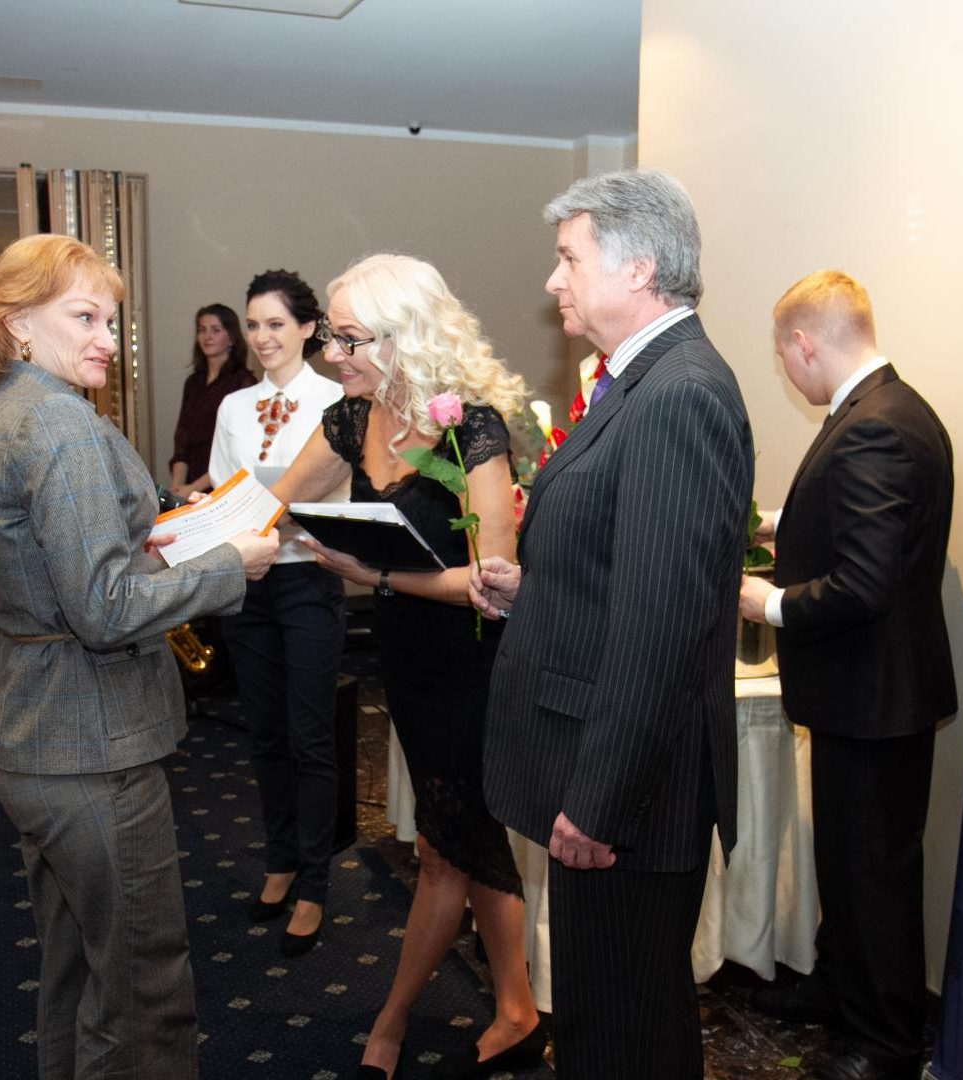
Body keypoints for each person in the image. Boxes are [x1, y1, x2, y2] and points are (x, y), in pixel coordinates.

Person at [0, 233, 279, 1079]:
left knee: (75, 963)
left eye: (111, 320)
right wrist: (227, 564)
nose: (108, 338)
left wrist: (132, 547)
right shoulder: (60, 424)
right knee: (140, 986)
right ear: (18, 325)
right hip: (91, 744)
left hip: (26, 728)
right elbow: (101, 612)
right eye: (84, 318)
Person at [469, 169, 754, 1080]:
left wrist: (599, 802)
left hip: (630, 796)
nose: (553, 280)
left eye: (569, 258)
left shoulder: (678, 395)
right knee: (616, 1020)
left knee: (620, 1035)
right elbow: (625, 576)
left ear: (637, 269)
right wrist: (536, 593)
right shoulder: (641, 383)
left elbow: (662, 631)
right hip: (613, 776)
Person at [271, 253, 542, 1080]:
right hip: (409, 665)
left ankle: (388, 1026)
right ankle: (518, 1009)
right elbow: (275, 507)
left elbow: (492, 586)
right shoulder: (353, 418)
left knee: (443, 851)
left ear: (405, 336)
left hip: (471, 667)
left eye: (348, 339)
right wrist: (191, 532)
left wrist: (376, 575)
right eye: (331, 338)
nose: (332, 356)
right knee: (471, 839)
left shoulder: (471, 429)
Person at [739, 271, 956, 1080]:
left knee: (872, 874)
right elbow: (863, 528)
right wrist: (777, 524)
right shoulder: (891, 407)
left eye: (781, 354)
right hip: (867, 693)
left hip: (874, 697)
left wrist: (768, 603)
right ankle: (839, 988)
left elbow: (865, 583)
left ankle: (886, 1042)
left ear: (803, 343)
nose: (786, 369)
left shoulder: (874, 428)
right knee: (849, 861)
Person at [209, 269, 348, 957]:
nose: (262, 337)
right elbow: (223, 490)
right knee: (264, 733)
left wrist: (281, 513)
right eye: (254, 325)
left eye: (275, 324)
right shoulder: (234, 406)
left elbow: (342, 495)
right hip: (250, 583)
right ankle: (281, 859)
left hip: (308, 580)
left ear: (307, 329)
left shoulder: (337, 401)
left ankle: (316, 882)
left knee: (310, 737)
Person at [170, 302, 256, 499]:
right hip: (189, 481)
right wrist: (178, 486)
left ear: (231, 337)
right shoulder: (193, 382)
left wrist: (194, 487)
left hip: (224, 484)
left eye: (215, 330)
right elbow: (182, 439)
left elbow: (235, 450)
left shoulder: (244, 383)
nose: (207, 336)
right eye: (202, 330)